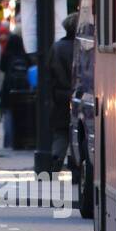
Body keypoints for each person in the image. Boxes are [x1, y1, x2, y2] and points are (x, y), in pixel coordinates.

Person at [48, 12, 79, 171]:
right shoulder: (83, 47)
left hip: (60, 97)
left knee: (61, 133)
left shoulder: (57, 48)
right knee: (80, 133)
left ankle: (55, 161)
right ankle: (76, 167)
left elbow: (50, 74)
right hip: (79, 96)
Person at [0, 30, 32, 149]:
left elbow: (2, 68)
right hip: (23, 90)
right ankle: (20, 141)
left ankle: (8, 142)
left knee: (8, 116)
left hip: (8, 88)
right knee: (22, 115)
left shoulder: (6, 55)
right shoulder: (24, 55)